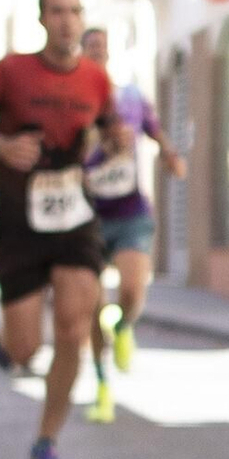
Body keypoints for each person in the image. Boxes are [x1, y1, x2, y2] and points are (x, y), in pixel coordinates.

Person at [0, 0, 124, 459]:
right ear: (41, 19)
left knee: (73, 328)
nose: (68, 21)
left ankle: (46, 442)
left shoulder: (97, 79)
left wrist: (118, 142)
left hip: (74, 216)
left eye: (75, 11)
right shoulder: (9, 71)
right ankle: (13, 345)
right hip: (20, 220)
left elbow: (111, 135)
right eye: (57, 12)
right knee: (27, 350)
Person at [77, 26, 185, 426]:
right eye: (91, 49)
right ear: (81, 55)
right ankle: (103, 386)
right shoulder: (72, 106)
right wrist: (99, 150)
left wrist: (172, 157)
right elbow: (63, 159)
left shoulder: (131, 98)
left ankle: (123, 326)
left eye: (102, 49)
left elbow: (156, 132)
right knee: (91, 304)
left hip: (130, 212)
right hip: (85, 217)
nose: (98, 54)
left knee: (132, 289)